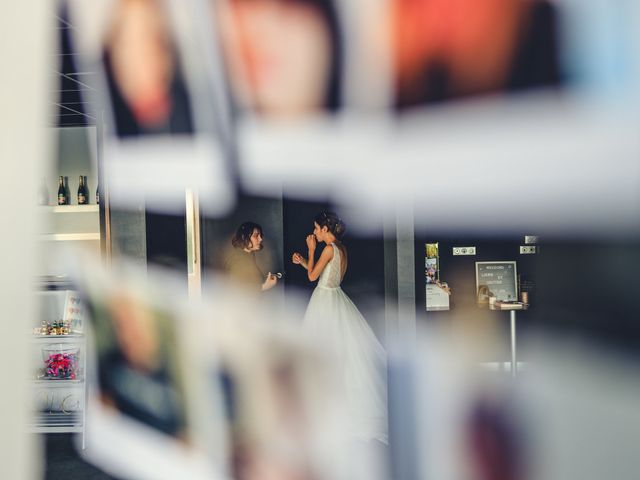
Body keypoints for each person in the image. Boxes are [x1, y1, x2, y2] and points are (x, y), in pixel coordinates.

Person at [291, 212, 388, 443]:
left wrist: (310, 250)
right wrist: (304, 262)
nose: (314, 232)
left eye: (316, 228)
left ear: (325, 229)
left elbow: (314, 276)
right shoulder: (340, 248)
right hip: (335, 297)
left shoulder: (327, 248)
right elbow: (325, 275)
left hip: (325, 301)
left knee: (323, 351)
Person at [224, 222, 278, 292]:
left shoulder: (249, 255)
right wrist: (264, 286)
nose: (261, 239)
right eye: (256, 236)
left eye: (260, 235)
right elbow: (238, 290)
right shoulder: (237, 260)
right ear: (243, 237)